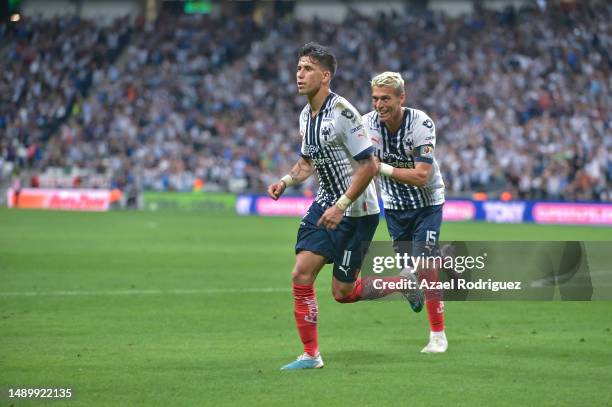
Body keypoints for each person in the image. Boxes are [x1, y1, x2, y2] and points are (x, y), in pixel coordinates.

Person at [268, 44, 420, 370]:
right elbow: (307, 163)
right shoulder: (306, 115)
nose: (299, 74)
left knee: (343, 292)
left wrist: (342, 205)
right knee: (301, 273)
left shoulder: (344, 113)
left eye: (307, 69)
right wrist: (285, 181)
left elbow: (368, 165)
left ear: (325, 76)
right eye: (298, 68)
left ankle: (403, 283)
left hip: (357, 211)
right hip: (325, 203)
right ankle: (311, 355)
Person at [364, 71, 448, 353]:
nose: (379, 105)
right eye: (375, 98)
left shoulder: (421, 123)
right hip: (395, 207)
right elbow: (368, 165)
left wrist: (382, 168)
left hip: (427, 204)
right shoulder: (368, 124)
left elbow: (422, 175)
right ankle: (407, 284)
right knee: (408, 273)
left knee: (425, 265)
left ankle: (438, 335)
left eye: (386, 98)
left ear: (402, 97)